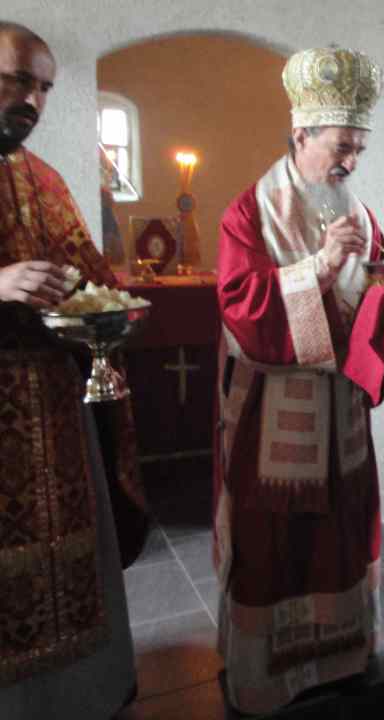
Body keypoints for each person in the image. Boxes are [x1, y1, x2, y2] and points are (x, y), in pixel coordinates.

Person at [214, 46, 384, 715]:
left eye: (359, 149)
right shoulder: (250, 211)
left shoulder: (360, 211)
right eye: (341, 146)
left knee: (341, 534)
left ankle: (340, 659)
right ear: (301, 133)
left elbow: (379, 286)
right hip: (275, 415)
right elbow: (241, 307)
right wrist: (318, 267)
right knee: (275, 544)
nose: (351, 162)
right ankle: (268, 677)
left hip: (341, 411)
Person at [0, 21, 140, 719]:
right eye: (18, 80)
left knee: (71, 559)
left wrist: (108, 308)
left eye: (45, 88)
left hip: (54, 411)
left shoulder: (44, 177)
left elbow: (88, 273)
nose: (34, 100)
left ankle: (83, 697)